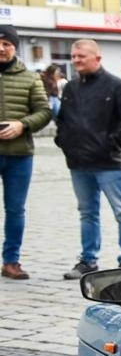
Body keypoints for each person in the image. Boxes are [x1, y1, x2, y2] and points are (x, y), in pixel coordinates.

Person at [56, 39, 121, 278]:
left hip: (109, 164)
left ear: (97, 58)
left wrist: (109, 144)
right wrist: (64, 143)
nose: (76, 60)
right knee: (87, 213)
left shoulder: (117, 86)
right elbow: (62, 121)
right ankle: (88, 260)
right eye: (74, 56)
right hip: (78, 164)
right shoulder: (71, 88)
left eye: (81, 56)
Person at [0, 26, 53, 280]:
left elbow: (44, 111)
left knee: (15, 210)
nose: (1, 48)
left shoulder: (30, 78)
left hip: (19, 155)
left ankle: (11, 261)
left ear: (15, 47)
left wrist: (22, 125)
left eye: (7, 44)